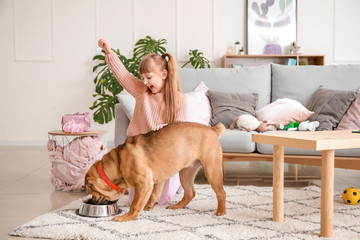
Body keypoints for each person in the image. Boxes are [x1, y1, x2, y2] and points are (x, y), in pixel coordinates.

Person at [97, 38, 186, 205]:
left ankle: (175, 180)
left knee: (162, 199)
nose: (145, 82)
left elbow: (179, 131)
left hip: (162, 153)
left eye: (149, 77)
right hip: (139, 152)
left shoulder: (178, 99)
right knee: (137, 201)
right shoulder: (142, 91)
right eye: (143, 78)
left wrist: (162, 130)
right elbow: (123, 75)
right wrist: (108, 51)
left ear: (164, 74)